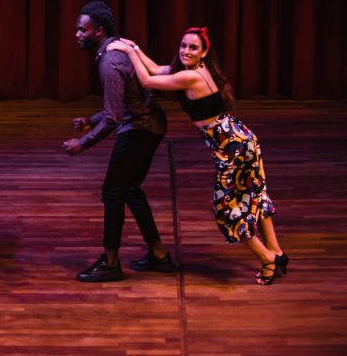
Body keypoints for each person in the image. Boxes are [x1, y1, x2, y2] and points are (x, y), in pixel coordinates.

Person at [107, 27, 288, 285]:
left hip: (233, 149)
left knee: (227, 209)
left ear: (204, 53)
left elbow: (147, 81)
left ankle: (268, 259)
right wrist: (135, 48)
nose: (186, 51)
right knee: (254, 195)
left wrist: (127, 51)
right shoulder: (194, 71)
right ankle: (277, 252)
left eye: (193, 47)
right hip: (242, 141)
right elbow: (155, 69)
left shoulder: (192, 77)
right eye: (183, 46)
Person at [63, 1, 172, 283]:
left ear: (98, 31)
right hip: (150, 125)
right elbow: (124, 101)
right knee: (130, 189)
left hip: (140, 129)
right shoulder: (115, 49)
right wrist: (91, 120)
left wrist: (83, 143)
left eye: (82, 30)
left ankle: (111, 263)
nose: (77, 34)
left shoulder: (110, 61)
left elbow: (114, 118)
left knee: (113, 193)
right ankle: (158, 255)